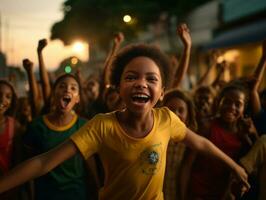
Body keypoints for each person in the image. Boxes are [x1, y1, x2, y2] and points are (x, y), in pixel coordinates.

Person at [0, 44, 249, 200]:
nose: (142, 83)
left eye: (151, 79)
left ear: (162, 92)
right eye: (131, 77)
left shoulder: (166, 119)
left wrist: (235, 167)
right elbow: (44, 161)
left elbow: (202, 145)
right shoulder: (102, 126)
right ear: (118, 88)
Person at [23, 74, 98, 200]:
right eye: (62, 86)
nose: (67, 90)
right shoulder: (37, 126)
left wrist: (98, 191)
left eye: (73, 88)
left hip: (77, 195)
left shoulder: (84, 126)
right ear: (54, 93)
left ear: (78, 98)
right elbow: (28, 167)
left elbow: (91, 165)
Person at [180, 83, 257, 199]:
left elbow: (255, 164)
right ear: (218, 102)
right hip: (198, 193)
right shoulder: (207, 127)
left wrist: (253, 133)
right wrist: (182, 196)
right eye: (227, 101)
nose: (232, 107)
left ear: (244, 108)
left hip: (222, 195)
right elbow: (187, 165)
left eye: (238, 104)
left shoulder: (243, 135)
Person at [162, 89, 197, 200]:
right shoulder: (157, 135)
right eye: (171, 109)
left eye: (181, 110)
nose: (175, 114)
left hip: (176, 193)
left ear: (188, 115)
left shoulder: (189, 141)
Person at [0, 80, 22, 199]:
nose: (3, 100)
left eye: (8, 97)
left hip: (6, 190)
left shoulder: (15, 126)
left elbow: (18, 163)